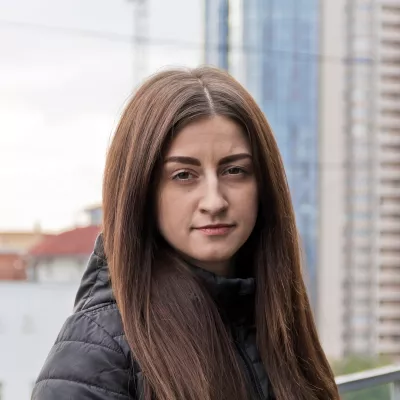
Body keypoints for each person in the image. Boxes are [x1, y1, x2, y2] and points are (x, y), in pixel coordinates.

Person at [32, 66, 339, 400]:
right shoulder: (99, 347)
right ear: (142, 190)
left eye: (235, 170)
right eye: (183, 175)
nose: (214, 201)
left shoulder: (273, 321)